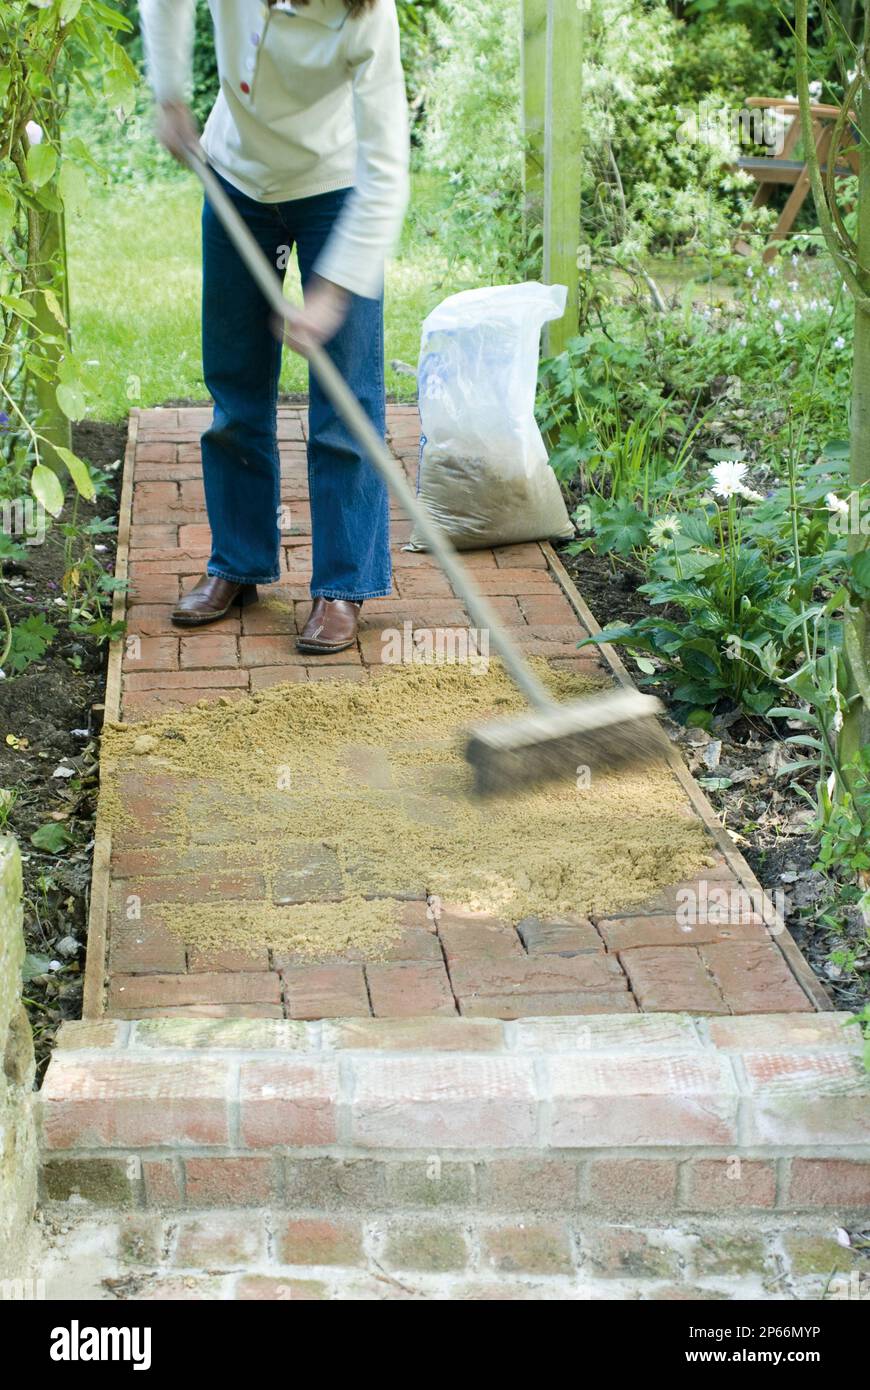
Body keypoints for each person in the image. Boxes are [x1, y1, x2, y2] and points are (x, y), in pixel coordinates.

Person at [139, 0, 410, 652]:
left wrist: (331, 297)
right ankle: (238, 561)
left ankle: (343, 585)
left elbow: (385, 173)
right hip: (237, 176)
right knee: (235, 384)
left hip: (336, 185)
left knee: (345, 397)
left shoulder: (368, 15)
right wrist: (170, 95)